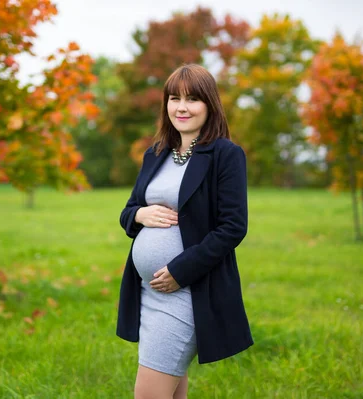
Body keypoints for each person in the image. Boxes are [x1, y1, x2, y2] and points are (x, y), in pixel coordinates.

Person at [117, 64, 253, 399]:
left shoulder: (225, 155)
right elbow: (127, 213)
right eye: (174, 98)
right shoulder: (157, 154)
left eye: (192, 99)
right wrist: (141, 214)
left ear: (209, 104)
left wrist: (180, 270)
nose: (181, 106)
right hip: (148, 293)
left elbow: (233, 227)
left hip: (187, 292)